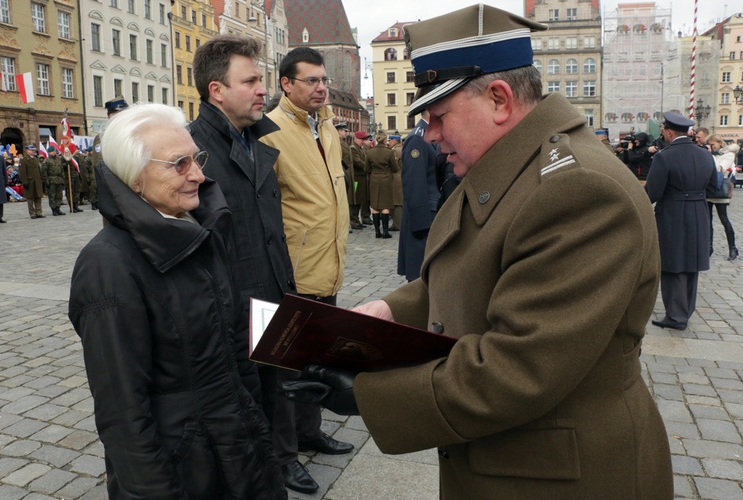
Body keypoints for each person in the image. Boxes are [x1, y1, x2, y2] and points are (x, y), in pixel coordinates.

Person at [281, 5, 673, 499]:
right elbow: (468, 269)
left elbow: (518, 368)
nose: (430, 135)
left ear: (499, 99)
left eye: (439, 116)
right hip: (517, 459)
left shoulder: (579, 190)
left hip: (564, 475)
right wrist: (384, 312)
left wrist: (366, 395)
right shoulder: (509, 163)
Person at [68, 103, 286, 499]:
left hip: (237, 443)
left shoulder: (201, 229)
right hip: (183, 464)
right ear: (135, 178)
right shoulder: (108, 264)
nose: (199, 175)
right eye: (178, 164)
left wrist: (254, 418)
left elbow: (235, 345)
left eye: (197, 159)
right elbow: (122, 412)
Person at [187, 34, 309, 493]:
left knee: (277, 386)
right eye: (252, 80)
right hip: (230, 301)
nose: (264, 89)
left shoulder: (256, 139)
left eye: (262, 79)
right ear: (217, 90)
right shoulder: (191, 149)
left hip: (272, 289)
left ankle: (284, 459)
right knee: (240, 398)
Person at [257, 46, 354, 493]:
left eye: (323, 80)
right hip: (292, 272)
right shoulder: (269, 131)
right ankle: (282, 455)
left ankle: (309, 432)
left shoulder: (328, 125)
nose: (321, 87)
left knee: (317, 360)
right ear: (286, 84)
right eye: (311, 81)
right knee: (284, 370)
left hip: (327, 265)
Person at [645, 112, 717, 331]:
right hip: (699, 213)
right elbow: (713, 188)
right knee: (691, 265)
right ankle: (685, 311)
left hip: (673, 214)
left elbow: (652, 193)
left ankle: (676, 316)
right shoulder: (705, 154)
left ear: (668, 131)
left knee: (672, 264)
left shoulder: (665, 156)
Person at [397, 110, 440, 281]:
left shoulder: (427, 134)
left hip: (430, 213)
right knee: (419, 276)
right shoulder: (418, 138)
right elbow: (414, 183)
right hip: (423, 218)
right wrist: (422, 226)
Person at [706, 134, 739, 260]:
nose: (712, 147)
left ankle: (732, 248)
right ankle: (709, 247)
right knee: (708, 221)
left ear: (720, 143)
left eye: (713, 145)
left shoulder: (729, 154)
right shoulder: (711, 154)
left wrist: (709, 156)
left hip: (720, 190)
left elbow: (720, 168)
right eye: (710, 145)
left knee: (724, 219)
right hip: (709, 189)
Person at [366, 130, 398, 238]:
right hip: (386, 180)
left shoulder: (369, 152)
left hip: (374, 180)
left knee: (375, 206)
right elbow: (395, 168)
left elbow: (366, 168)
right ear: (385, 140)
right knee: (385, 205)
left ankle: (377, 232)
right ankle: (385, 231)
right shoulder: (389, 152)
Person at [336, 123, 358, 230]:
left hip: (349, 173)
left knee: (349, 198)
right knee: (344, 199)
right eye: (345, 131)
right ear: (339, 131)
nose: (346, 133)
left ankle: (349, 221)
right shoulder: (336, 142)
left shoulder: (343, 142)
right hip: (342, 173)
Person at [350, 130, 372, 227]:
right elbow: (358, 162)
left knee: (362, 199)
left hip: (362, 178)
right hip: (356, 179)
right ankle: (354, 221)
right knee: (355, 200)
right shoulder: (353, 149)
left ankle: (360, 219)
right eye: (361, 139)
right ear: (356, 139)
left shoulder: (361, 148)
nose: (363, 141)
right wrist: (369, 167)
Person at [20, 145, 45, 219]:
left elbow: (39, 170)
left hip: (37, 181)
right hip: (29, 181)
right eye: (32, 150)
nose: (34, 152)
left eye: (34, 150)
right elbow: (22, 172)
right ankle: (32, 213)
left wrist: (41, 179)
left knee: (38, 197)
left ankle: (39, 212)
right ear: (27, 151)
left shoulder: (35, 159)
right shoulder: (23, 160)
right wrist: (25, 181)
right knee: (30, 198)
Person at [42, 147, 66, 216]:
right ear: (49, 152)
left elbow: (61, 169)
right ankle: (54, 209)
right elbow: (44, 172)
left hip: (59, 179)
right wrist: (47, 181)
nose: (54, 152)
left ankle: (58, 208)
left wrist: (63, 179)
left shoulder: (58, 160)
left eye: (54, 151)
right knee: (52, 196)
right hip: (51, 180)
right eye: (52, 151)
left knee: (59, 195)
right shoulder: (46, 161)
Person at [388, 134, 403, 231]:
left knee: (396, 202)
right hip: (402, 176)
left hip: (396, 177)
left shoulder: (395, 151)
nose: (389, 142)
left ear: (394, 141)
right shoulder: (403, 148)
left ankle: (397, 224)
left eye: (390, 140)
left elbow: (392, 165)